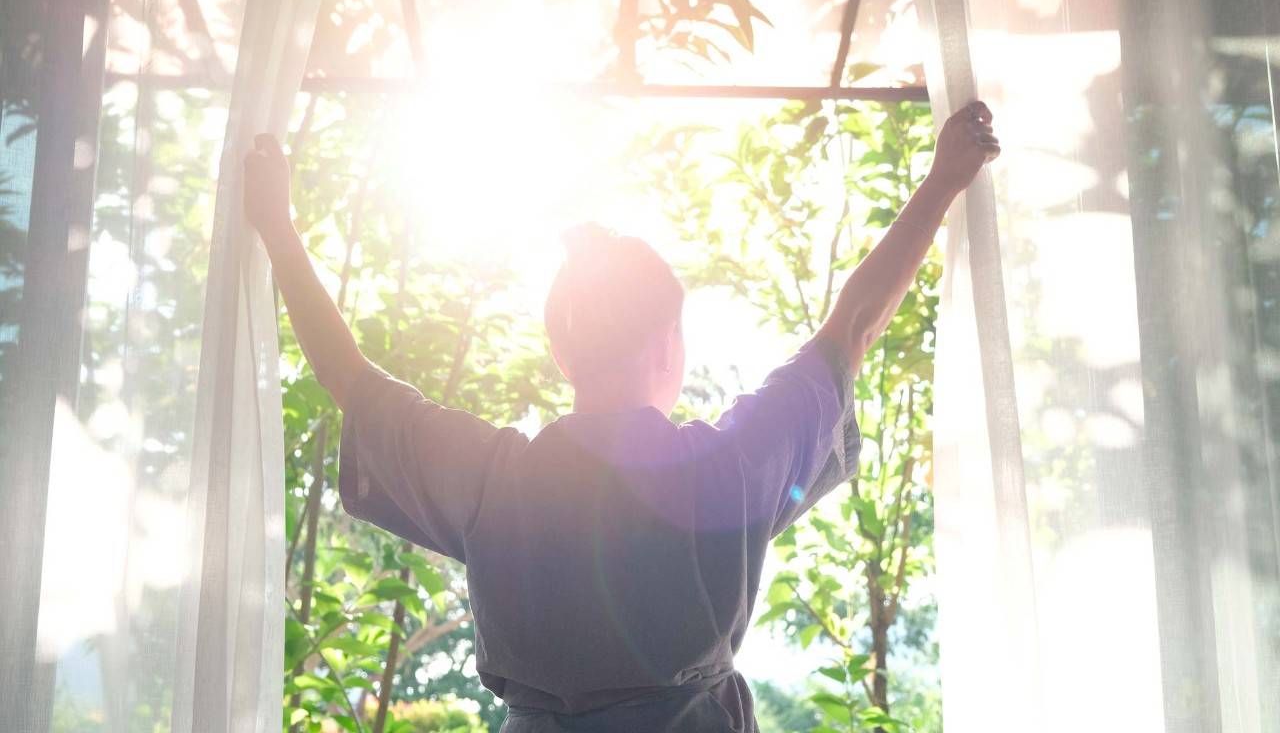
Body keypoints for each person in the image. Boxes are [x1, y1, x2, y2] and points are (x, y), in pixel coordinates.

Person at [244, 101, 1000, 732]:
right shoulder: (727, 470)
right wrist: (941, 182)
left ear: (560, 352)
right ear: (669, 341)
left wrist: (278, 229)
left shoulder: (492, 481)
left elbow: (352, 379)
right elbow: (853, 327)